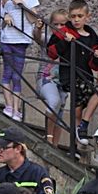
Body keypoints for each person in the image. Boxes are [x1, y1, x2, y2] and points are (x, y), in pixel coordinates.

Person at [47, 0, 98, 145]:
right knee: (76, 109)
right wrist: (65, 41)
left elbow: (94, 66)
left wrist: (97, 57)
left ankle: (83, 127)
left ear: (87, 16)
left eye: (80, 16)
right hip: (70, 75)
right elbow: (51, 52)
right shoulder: (64, 31)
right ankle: (77, 145)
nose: (76, 20)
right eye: (73, 16)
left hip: (86, 75)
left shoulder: (91, 35)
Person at [34, 9, 69, 148]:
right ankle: (48, 137)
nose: (59, 28)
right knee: (54, 102)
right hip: (45, 79)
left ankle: (54, 145)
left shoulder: (70, 40)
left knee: (59, 114)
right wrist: (38, 28)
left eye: (63, 24)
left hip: (62, 81)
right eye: (56, 24)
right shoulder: (49, 38)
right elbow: (37, 37)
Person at [0, 0, 40, 122]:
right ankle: (9, 106)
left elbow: (33, 19)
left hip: (21, 41)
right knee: (7, 73)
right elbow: (0, 11)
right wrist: (5, 14)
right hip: (7, 40)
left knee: (17, 76)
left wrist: (23, 4)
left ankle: (16, 109)